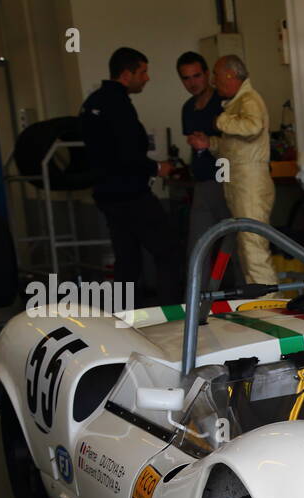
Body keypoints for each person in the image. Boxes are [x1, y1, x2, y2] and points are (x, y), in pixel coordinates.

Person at [80, 47, 184, 305]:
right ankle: (172, 315)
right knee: (169, 251)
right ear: (126, 74)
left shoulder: (92, 103)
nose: (147, 78)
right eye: (143, 72)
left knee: (127, 257)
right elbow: (127, 153)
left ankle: (127, 316)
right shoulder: (119, 104)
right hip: (130, 194)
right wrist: (158, 169)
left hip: (106, 195)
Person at [186, 55, 277, 287]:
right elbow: (235, 146)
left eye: (215, 75)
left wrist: (220, 121)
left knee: (253, 246)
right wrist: (209, 144)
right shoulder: (237, 101)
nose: (214, 82)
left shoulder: (248, 100)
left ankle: (268, 304)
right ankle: (259, 303)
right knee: (246, 247)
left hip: (250, 184)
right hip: (239, 182)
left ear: (229, 75)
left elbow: (252, 127)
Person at [177, 51, 238, 277]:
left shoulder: (224, 104)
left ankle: (251, 300)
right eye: (186, 78)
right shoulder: (188, 108)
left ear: (207, 74)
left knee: (237, 245)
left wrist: (207, 144)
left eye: (196, 76)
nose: (192, 83)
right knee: (198, 247)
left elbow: (237, 143)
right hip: (202, 182)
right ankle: (196, 303)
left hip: (227, 181)